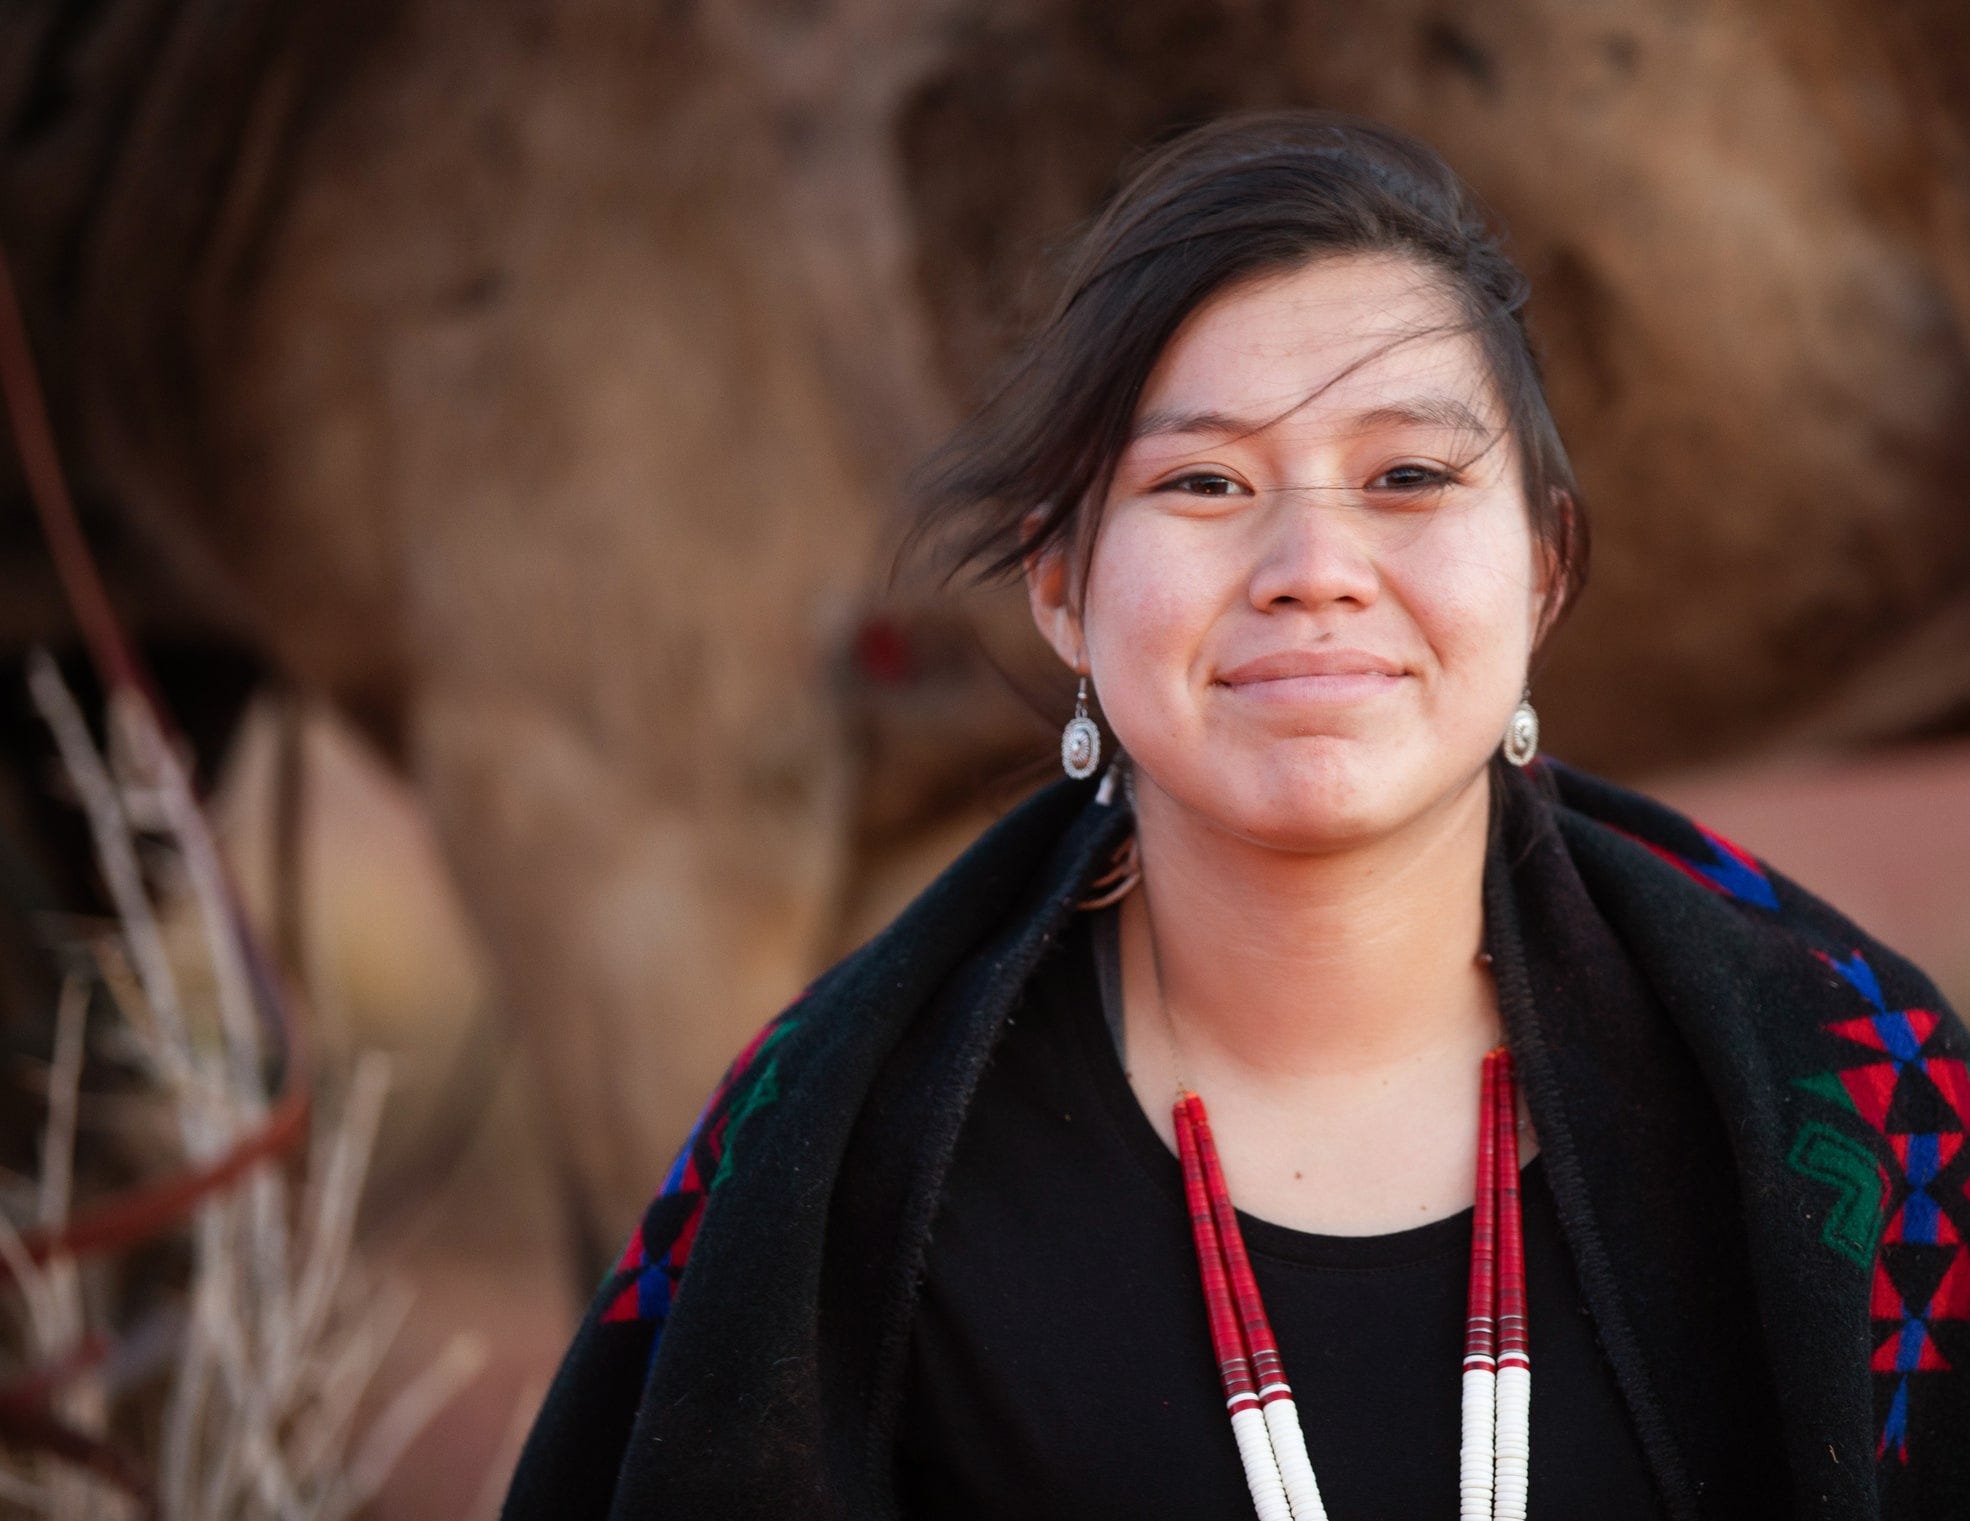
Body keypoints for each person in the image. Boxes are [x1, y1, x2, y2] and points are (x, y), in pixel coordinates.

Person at [502, 110, 1969, 1520]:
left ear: (1541, 567)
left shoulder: (1848, 1099)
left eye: (1406, 475)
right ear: (1061, 587)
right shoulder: (838, 1165)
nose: (1311, 564)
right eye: (1203, 479)